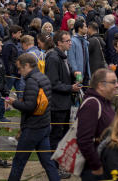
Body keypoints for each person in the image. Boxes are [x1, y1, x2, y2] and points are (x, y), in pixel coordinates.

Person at [6, 52, 59, 181]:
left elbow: (30, 106)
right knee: (48, 162)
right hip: (44, 125)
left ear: (27, 65)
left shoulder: (31, 81)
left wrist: (14, 102)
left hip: (32, 128)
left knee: (18, 162)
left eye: (20, 68)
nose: (18, 72)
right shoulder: (43, 77)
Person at [45, 29, 77, 172]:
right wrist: (71, 87)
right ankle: (54, 168)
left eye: (70, 40)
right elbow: (53, 83)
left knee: (63, 135)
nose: (70, 43)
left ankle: (59, 164)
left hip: (65, 102)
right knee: (56, 136)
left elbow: (65, 74)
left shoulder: (63, 56)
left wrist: (74, 74)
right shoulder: (53, 57)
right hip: (57, 104)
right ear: (59, 43)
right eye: (67, 41)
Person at [76, 67, 117, 181]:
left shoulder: (105, 101)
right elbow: (84, 140)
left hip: (107, 165)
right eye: (113, 82)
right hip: (94, 171)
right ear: (100, 85)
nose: (117, 85)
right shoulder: (92, 104)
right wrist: (96, 166)